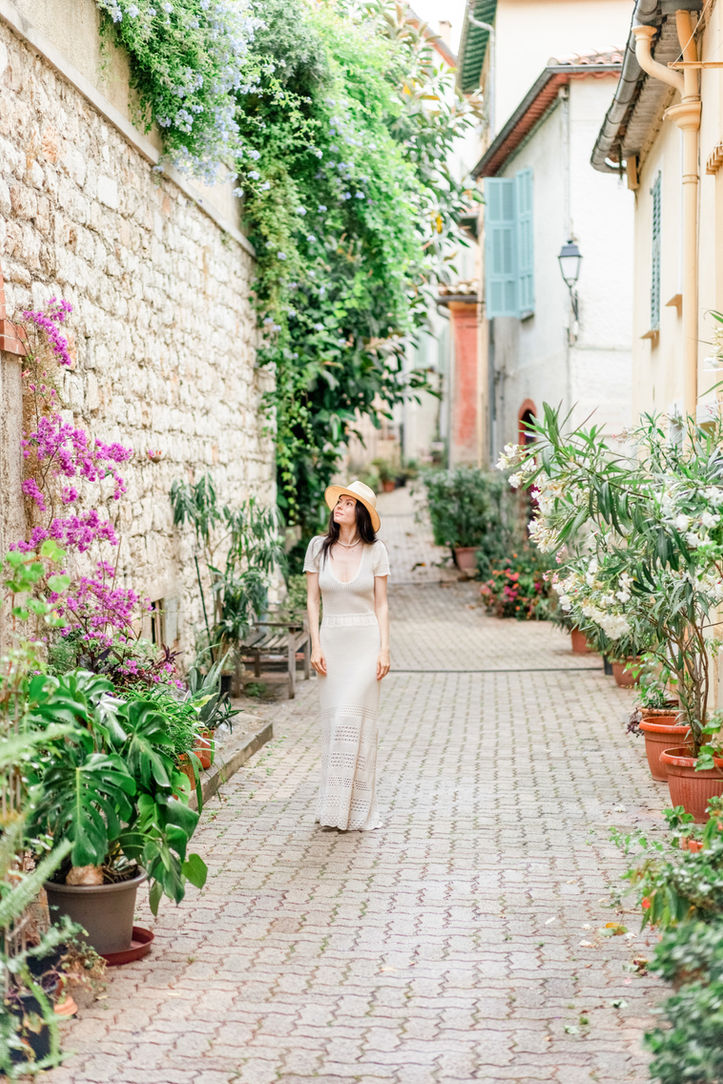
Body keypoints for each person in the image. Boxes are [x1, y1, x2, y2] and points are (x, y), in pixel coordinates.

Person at [304, 480, 390, 831]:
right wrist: (315, 644)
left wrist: (385, 648)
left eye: (347, 503)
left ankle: (357, 811)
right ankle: (333, 809)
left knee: (355, 727)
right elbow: (312, 600)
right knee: (336, 727)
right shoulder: (317, 548)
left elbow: (382, 604)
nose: (339, 506)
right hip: (332, 643)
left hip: (366, 643)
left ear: (361, 513)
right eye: (337, 501)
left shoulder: (376, 551)